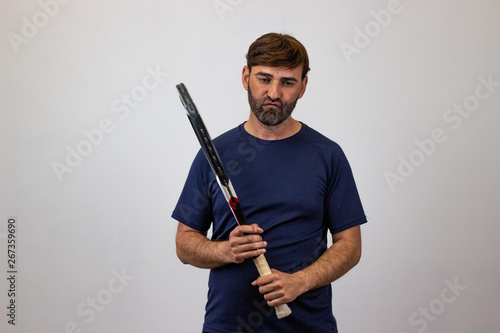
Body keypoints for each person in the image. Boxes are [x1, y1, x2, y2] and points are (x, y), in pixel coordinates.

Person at [172, 32, 367, 333]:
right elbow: (184, 244)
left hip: (308, 327)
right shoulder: (214, 155)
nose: (274, 93)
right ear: (246, 77)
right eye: (264, 79)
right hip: (226, 326)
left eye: (287, 82)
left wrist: (299, 282)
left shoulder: (327, 155)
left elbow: (350, 246)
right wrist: (226, 251)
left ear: (302, 87)